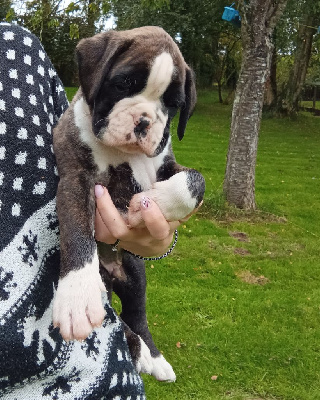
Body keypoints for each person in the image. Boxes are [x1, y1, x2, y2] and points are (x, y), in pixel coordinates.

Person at [0, 22, 189, 399]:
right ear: (95, 71)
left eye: (168, 103)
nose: (144, 116)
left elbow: (81, 169)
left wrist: (158, 232)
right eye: (124, 86)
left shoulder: (15, 50)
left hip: (98, 369)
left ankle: (140, 336)